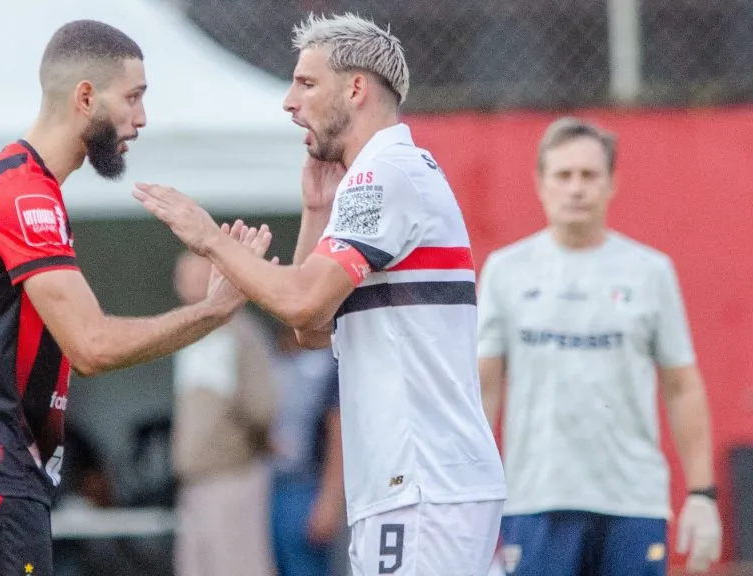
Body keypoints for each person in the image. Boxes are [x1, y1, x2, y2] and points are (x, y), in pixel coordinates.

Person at [132, 13, 507, 576]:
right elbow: (312, 330)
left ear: (356, 88)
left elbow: (303, 301)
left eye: (306, 83)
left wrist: (208, 237)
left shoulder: (385, 172)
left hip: (425, 482)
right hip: (413, 484)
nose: (289, 101)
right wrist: (315, 213)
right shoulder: (375, 176)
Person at [0, 20, 273, 576]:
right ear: (84, 97)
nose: (142, 119)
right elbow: (93, 346)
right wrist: (212, 312)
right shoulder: (26, 197)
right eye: (134, 97)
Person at [476, 117, 722, 575]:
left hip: (632, 500)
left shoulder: (650, 271)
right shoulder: (506, 270)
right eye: (563, 175)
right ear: (540, 183)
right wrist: (467, 490)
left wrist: (702, 494)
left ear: (612, 184)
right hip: (536, 498)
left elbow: (682, 385)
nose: (576, 188)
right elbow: (484, 385)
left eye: (589, 175)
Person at [171, 251, 276, 576]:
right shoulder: (188, 334)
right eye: (186, 278)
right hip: (194, 481)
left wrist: (250, 443)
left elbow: (263, 406)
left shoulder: (241, 333)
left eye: (201, 277)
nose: (192, 286)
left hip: (233, 475)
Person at [268, 322, 345, 576]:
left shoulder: (333, 358)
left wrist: (330, 498)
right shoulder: (276, 354)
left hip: (308, 487)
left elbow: (338, 428)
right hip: (271, 486)